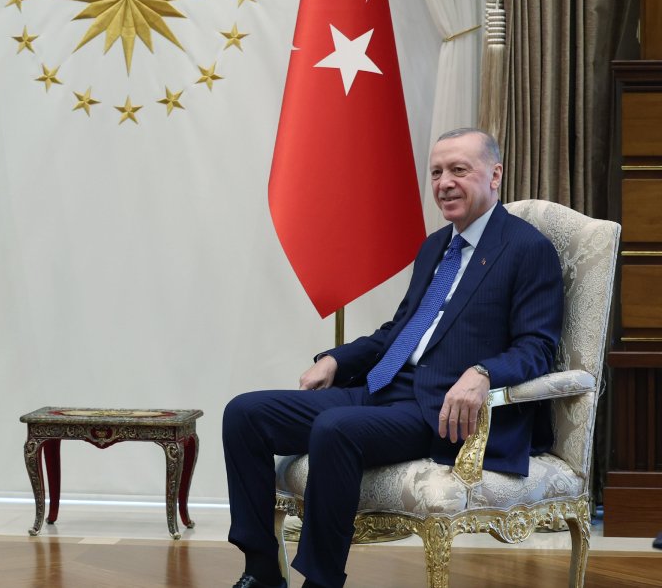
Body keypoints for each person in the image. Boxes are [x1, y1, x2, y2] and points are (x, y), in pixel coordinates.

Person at [223, 128, 564, 588]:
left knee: (334, 429)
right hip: (383, 388)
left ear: (495, 174)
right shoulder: (435, 247)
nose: (444, 182)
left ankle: (320, 581)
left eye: (459, 170)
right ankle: (261, 568)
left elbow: (538, 347)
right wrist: (337, 361)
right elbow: (398, 332)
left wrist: (483, 373)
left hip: (437, 411)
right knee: (244, 413)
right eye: (437, 172)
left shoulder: (527, 249)